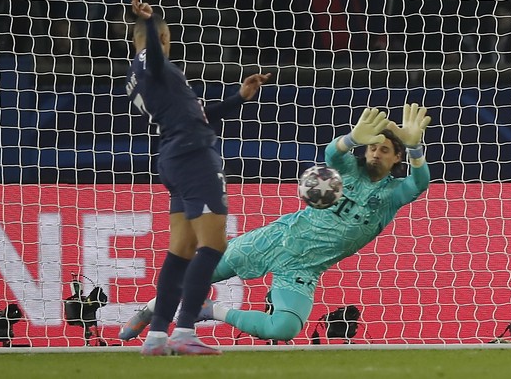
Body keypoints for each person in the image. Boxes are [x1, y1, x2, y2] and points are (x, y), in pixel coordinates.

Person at [120, 104, 432, 344]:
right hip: (275, 240)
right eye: (372, 147)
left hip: (304, 270)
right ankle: (149, 310)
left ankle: (209, 310)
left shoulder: (392, 195)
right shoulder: (349, 170)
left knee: (284, 329)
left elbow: (419, 182)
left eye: (385, 150)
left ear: (397, 158)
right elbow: (331, 154)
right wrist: (351, 139)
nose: (375, 154)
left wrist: (416, 148)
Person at [125, 0, 270, 355]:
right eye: (166, 40)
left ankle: (157, 336)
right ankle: (186, 329)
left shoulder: (143, 77)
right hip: (193, 158)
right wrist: (146, 19)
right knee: (213, 245)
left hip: (174, 157)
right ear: (162, 39)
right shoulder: (151, 61)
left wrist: (239, 98)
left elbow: (198, 116)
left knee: (182, 250)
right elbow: (154, 56)